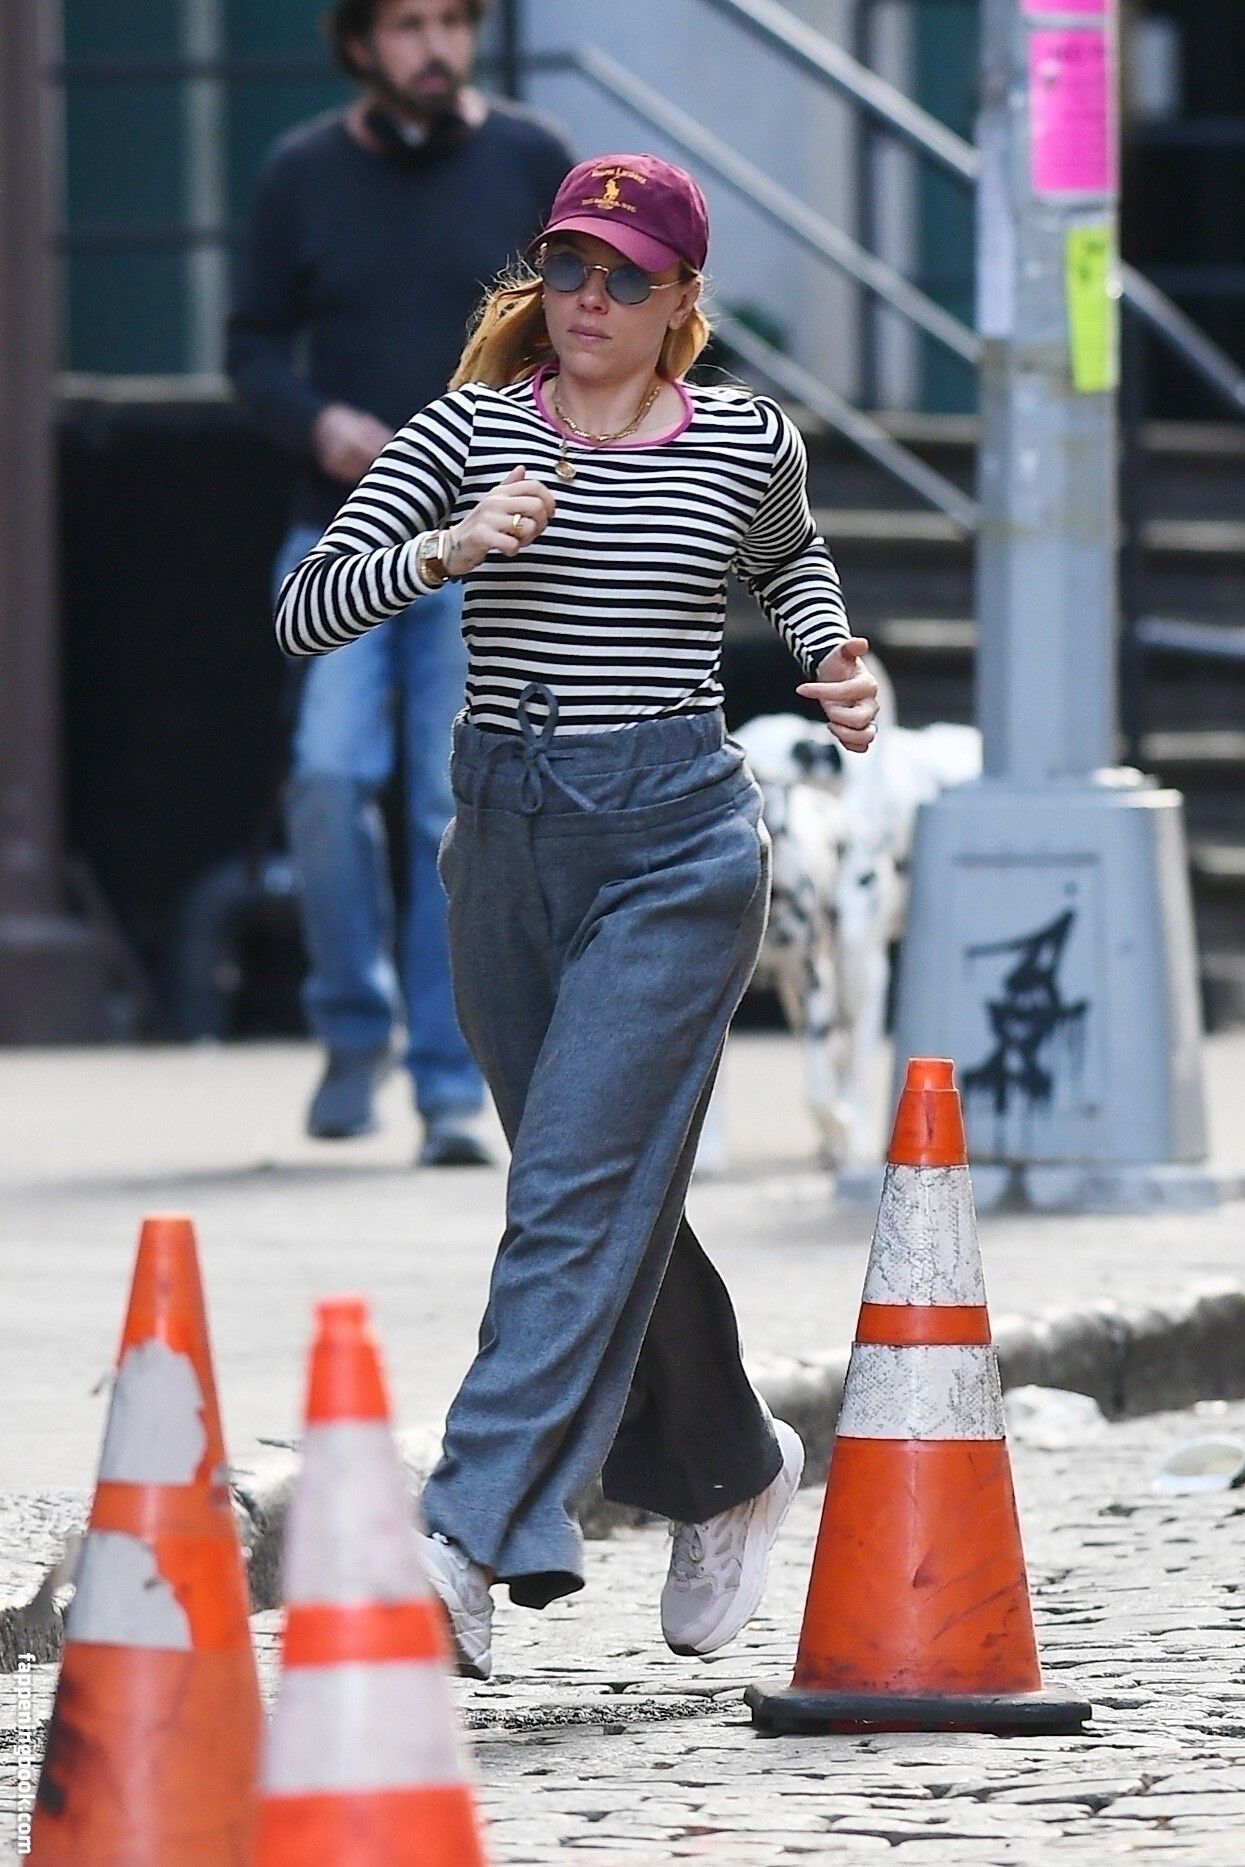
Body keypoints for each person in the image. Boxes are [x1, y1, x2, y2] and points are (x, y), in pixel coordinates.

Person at [275, 153, 881, 1677]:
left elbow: (789, 555)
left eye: (623, 276)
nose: (587, 298)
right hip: (503, 844)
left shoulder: (744, 438)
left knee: (565, 1191)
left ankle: (462, 1534)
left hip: (677, 846)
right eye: (566, 265)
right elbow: (305, 609)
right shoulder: (469, 427)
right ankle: (732, 1461)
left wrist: (832, 655)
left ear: (682, 300)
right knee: (596, 1188)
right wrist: (444, 548)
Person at [229, 0, 573, 1163]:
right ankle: (350, 1028)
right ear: (360, 45)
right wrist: (317, 419)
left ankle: (446, 1085)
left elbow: (581, 333)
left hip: (485, 549)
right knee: (327, 776)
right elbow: (250, 348)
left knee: (448, 808)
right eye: (409, 25)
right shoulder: (301, 171)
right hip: (341, 536)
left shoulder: (530, 158)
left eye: (453, 21)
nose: (436, 47)